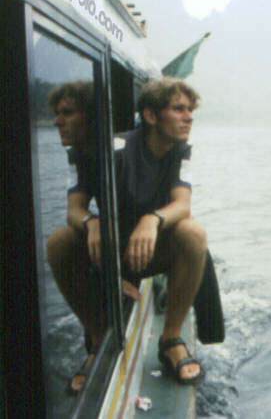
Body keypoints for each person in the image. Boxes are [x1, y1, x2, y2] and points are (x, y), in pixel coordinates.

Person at [114, 77, 207, 385]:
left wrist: (151, 219)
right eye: (179, 109)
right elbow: (90, 211)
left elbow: (183, 205)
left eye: (190, 109)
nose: (189, 116)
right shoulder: (119, 150)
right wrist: (110, 274)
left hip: (151, 250)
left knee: (192, 233)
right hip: (112, 255)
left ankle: (170, 340)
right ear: (151, 116)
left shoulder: (182, 151)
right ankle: (96, 340)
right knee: (61, 242)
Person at [45, 81, 106, 396]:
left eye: (67, 113)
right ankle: (98, 339)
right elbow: (74, 210)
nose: (57, 121)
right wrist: (91, 222)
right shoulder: (78, 155)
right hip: (108, 235)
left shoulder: (120, 148)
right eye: (57, 114)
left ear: (91, 116)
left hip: (142, 235)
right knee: (59, 241)